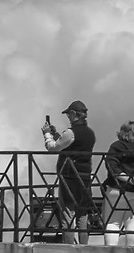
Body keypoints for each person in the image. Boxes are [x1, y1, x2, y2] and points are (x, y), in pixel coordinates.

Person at [42, 101, 99, 243]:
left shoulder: (70, 133)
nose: (67, 117)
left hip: (69, 177)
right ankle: (84, 246)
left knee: (67, 213)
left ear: (73, 114)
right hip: (85, 176)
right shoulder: (90, 133)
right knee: (82, 213)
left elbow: (53, 148)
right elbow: (70, 147)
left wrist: (47, 134)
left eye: (68, 114)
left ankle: (68, 246)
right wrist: (56, 134)